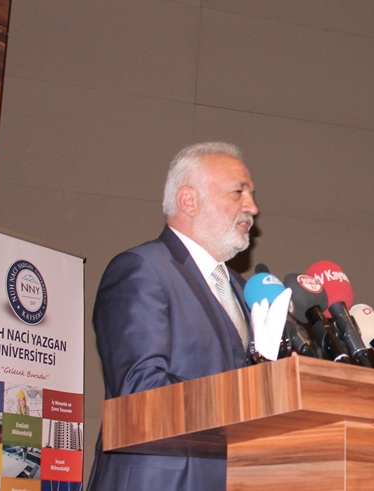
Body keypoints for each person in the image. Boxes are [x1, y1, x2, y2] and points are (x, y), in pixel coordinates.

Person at [86, 141, 259, 491]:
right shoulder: (142, 269)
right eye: (237, 192)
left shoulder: (244, 290)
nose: (252, 207)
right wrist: (254, 401)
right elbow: (139, 390)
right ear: (188, 200)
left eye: (252, 195)